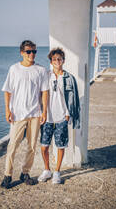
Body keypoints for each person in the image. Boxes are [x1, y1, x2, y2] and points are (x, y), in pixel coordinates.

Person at [0, 40, 49, 189]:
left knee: (32, 146)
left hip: (35, 113)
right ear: (22, 53)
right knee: (13, 145)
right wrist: (7, 110)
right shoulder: (14, 69)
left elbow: (44, 92)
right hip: (17, 113)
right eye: (28, 51)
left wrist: (44, 111)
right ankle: (8, 175)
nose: (32, 54)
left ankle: (25, 173)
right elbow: (8, 91)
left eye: (34, 51)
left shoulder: (40, 70)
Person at [38, 47, 80, 184]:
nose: (57, 61)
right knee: (44, 146)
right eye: (54, 59)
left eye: (60, 59)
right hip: (47, 117)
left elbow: (75, 98)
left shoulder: (69, 78)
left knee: (60, 146)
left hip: (62, 117)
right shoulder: (46, 76)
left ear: (63, 60)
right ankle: (47, 170)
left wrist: (69, 115)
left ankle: (57, 172)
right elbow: (39, 95)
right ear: (51, 61)